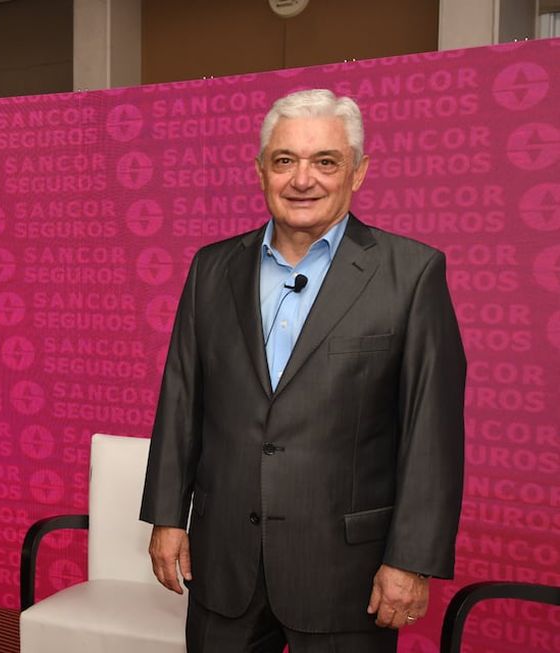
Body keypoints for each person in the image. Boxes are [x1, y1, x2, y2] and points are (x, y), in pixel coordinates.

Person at [140, 88, 465, 653]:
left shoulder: (411, 274)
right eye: (285, 160)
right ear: (260, 170)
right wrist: (167, 517)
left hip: (346, 574)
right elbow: (181, 400)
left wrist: (411, 560)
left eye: (325, 162)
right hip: (224, 562)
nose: (302, 179)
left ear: (358, 174)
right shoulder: (211, 269)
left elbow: (430, 434)